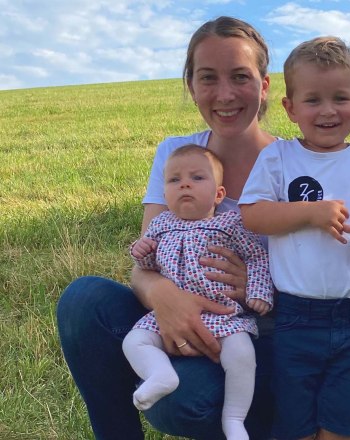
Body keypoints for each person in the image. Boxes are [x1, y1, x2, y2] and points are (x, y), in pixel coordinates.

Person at [57, 16, 279, 439]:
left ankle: (254, 418)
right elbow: (147, 260)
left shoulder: (292, 165)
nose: (225, 94)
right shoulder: (176, 154)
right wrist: (165, 298)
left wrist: (256, 282)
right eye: (208, 78)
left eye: (240, 77)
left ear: (265, 85)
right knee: (83, 299)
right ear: (191, 85)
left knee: (180, 405)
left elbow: (319, 281)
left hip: (252, 339)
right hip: (168, 320)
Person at [239, 36, 350, 440]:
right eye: (313, 100)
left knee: (343, 413)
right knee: (295, 413)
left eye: (340, 97)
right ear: (290, 107)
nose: (328, 110)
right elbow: (254, 215)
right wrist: (310, 212)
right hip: (296, 315)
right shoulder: (278, 158)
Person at [123, 145, 273, 440]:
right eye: (174, 180)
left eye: (197, 178)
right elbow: (148, 265)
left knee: (242, 356)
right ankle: (160, 375)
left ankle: (234, 419)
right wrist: (141, 252)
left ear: (219, 195)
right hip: (169, 316)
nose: (185, 184)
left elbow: (257, 257)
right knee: (135, 341)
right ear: (165, 195)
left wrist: (258, 292)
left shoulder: (230, 224)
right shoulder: (160, 225)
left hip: (224, 316)